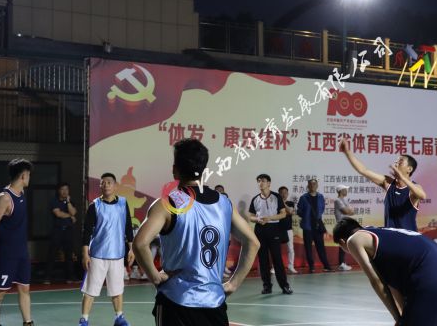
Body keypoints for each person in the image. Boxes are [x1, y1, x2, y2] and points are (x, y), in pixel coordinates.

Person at [132, 138, 260, 325]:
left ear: (175, 170)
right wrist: (233, 284)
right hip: (214, 303)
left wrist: (155, 277)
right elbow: (253, 242)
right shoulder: (224, 203)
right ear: (204, 170)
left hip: (176, 301)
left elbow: (140, 243)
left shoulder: (167, 204)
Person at [333, 217, 437, 326]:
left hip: (430, 277)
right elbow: (393, 286)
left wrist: (397, 318)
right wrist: (403, 317)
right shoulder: (379, 233)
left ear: (342, 242)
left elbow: (376, 282)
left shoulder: (354, 240)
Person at [79, 172, 135, 326]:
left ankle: (119, 318)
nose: (106, 185)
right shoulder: (95, 205)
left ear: (115, 186)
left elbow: (128, 227)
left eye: (109, 182)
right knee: (90, 290)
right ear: (100, 186)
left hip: (117, 254)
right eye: (103, 183)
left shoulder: (123, 203)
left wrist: (131, 249)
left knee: (117, 290)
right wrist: (85, 254)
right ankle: (84, 319)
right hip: (98, 255)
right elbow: (86, 232)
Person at [340, 139, 426, 231]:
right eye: (396, 162)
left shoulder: (414, 188)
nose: (396, 164)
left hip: (409, 237)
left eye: (400, 162)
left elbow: (422, 196)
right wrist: (347, 152)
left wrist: (403, 178)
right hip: (390, 236)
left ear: (409, 169)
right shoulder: (388, 183)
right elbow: (363, 170)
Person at [0, 159, 35, 326]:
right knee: (0, 292)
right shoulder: (5, 198)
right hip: (7, 253)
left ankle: (28, 322)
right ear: (23, 176)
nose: (29, 178)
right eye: (28, 175)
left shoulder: (21, 194)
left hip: (22, 252)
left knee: (24, 288)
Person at [249, 174, 293, 294]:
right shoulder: (255, 199)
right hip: (260, 230)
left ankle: (284, 285)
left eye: (263, 181)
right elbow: (250, 217)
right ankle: (267, 286)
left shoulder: (276, 197)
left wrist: (269, 218)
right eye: (258, 181)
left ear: (269, 183)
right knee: (263, 260)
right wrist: (257, 219)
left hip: (274, 228)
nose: (260, 183)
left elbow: (283, 214)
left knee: (277, 258)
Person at [297, 179, 333, 273]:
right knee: (308, 248)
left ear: (317, 186)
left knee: (321, 247)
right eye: (311, 184)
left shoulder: (320, 197)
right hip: (307, 227)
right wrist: (306, 215)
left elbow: (322, 209)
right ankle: (311, 267)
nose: (313, 186)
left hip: (317, 227)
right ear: (308, 186)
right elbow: (299, 211)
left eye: (314, 184)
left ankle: (326, 266)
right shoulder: (303, 198)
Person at [44, 182, 77, 284]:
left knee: (69, 255)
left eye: (66, 189)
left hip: (68, 230)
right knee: (52, 254)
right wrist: (70, 216)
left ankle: (70, 277)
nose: (65, 191)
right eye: (62, 189)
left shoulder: (70, 201)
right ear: (59, 191)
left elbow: (73, 212)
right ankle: (47, 278)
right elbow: (58, 214)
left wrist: (68, 203)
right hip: (57, 230)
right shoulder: (54, 201)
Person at [334, 184, 354, 271]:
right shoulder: (337, 201)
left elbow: (352, 212)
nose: (346, 191)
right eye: (345, 189)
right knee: (343, 244)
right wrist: (348, 211)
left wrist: (349, 211)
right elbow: (346, 211)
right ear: (341, 191)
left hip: (346, 225)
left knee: (345, 243)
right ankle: (341, 263)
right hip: (341, 225)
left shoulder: (344, 200)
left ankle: (343, 263)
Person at [278, 186, 298, 273]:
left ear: (287, 194)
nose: (283, 194)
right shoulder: (275, 204)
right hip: (277, 229)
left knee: (290, 248)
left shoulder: (290, 203)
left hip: (288, 229)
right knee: (276, 249)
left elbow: (290, 212)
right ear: (279, 194)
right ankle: (275, 267)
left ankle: (291, 266)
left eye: (285, 193)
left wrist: (283, 203)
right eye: (281, 193)